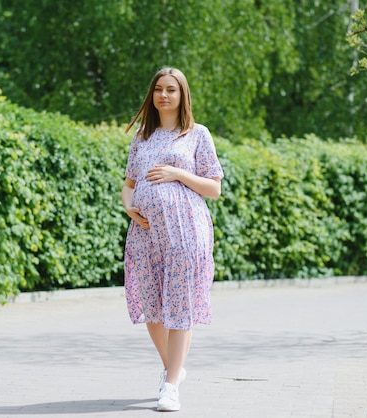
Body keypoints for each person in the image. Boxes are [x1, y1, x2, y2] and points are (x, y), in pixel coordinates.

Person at [121, 67, 224, 412]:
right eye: (159, 89)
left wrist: (178, 173)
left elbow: (214, 188)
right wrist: (128, 207)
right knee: (152, 308)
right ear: (152, 95)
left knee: (179, 307)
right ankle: (174, 370)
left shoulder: (197, 134)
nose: (164, 95)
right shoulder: (142, 137)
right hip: (146, 233)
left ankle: (170, 387)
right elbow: (130, 184)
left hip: (186, 231)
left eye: (172, 90)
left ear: (182, 96)